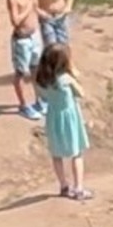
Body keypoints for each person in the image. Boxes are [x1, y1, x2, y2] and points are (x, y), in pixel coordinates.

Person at [36, 43, 91, 200]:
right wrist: (74, 75)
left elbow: (43, 97)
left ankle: (64, 186)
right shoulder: (66, 79)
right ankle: (79, 188)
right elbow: (82, 93)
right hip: (70, 119)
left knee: (56, 154)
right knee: (76, 153)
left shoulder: (42, 80)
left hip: (53, 118)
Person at [5, 0, 44, 120]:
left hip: (34, 37)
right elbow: (16, 21)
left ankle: (39, 100)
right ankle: (23, 105)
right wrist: (30, 6)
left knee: (35, 69)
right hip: (22, 40)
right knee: (21, 73)